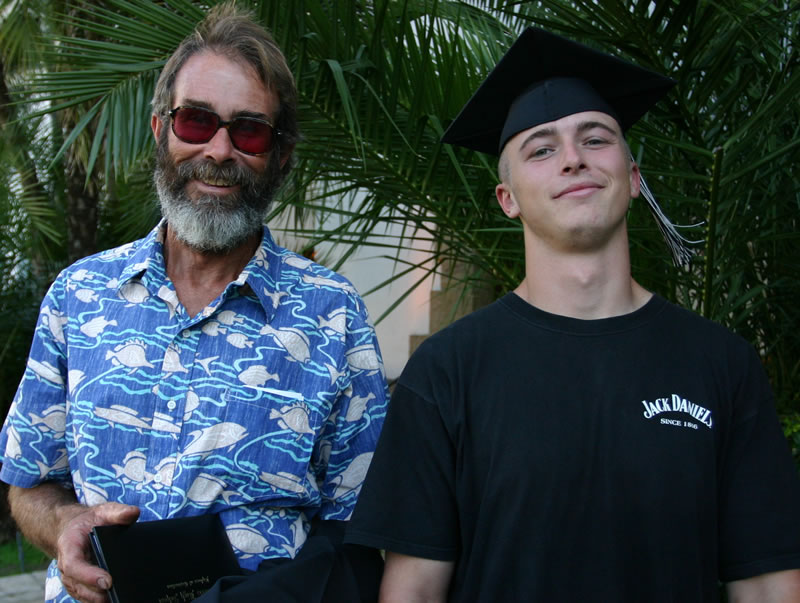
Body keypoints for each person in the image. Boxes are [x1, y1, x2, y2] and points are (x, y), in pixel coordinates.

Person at [344, 27, 800, 602]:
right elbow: (413, 592)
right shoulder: (447, 371)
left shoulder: (722, 365)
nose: (573, 159)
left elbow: (766, 584)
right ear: (507, 199)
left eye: (596, 138)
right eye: (541, 148)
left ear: (633, 179)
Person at [0, 4, 388, 603]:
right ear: (162, 131)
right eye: (196, 121)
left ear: (280, 156)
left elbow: (360, 522)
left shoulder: (332, 313)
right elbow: (31, 482)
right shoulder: (78, 296)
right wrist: (63, 526)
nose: (220, 149)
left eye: (250, 130)